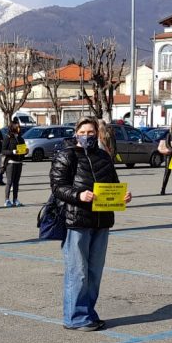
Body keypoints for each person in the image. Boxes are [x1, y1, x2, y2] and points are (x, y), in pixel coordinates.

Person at [50, 117, 131, 330]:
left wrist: (122, 197)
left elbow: (113, 184)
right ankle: (75, 317)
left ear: (97, 133)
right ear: (76, 133)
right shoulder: (66, 155)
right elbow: (58, 187)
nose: (87, 136)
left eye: (91, 132)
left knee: (94, 272)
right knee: (78, 272)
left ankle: (88, 313)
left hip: (101, 220)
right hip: (77, 220)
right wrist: (78, 195)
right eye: (83, 132)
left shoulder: (103, 156)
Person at [1, 122, 27, 207]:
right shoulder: (8, 138)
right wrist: (13, 152)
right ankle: (7, 200)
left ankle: (15, 199)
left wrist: (25, 151)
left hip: (19, 162)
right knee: (9, 181)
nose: (19, 128)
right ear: (13, 127)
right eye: (17, 127)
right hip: (11, 162)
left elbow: (23, 150)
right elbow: (3, 151)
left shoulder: (20, 138)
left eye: (19, 127)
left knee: (16, 182)